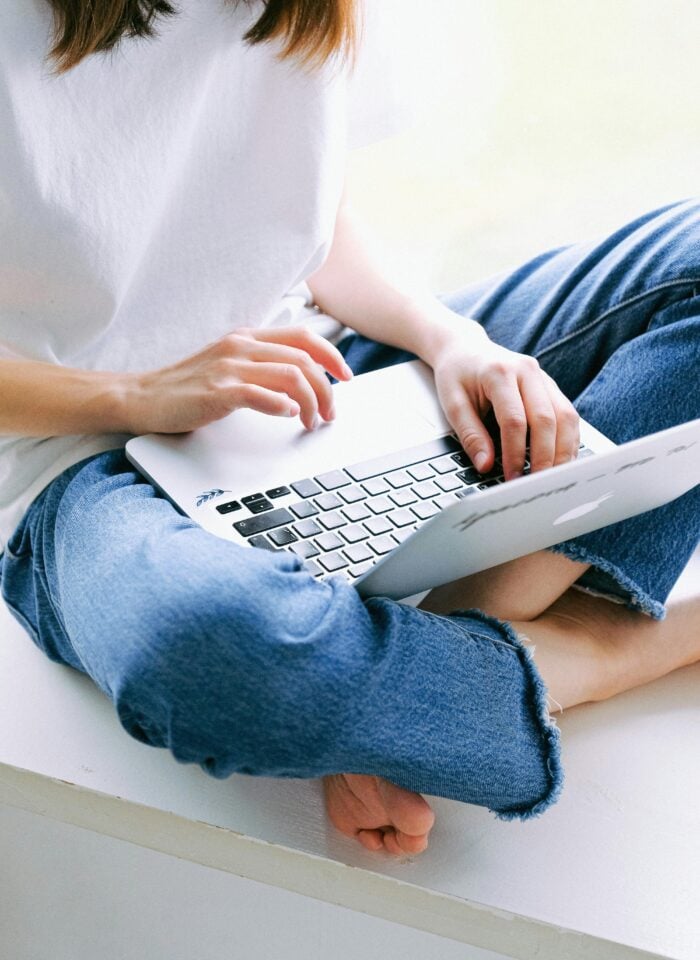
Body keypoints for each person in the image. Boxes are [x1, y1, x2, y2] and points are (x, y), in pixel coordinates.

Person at [0, 0, 698, 858]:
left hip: (325, 367)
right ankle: (601, 650)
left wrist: (451, 342)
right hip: (81, 463)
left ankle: (439, 662)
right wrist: (136, 393)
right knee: (213, 658)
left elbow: (303, 205)